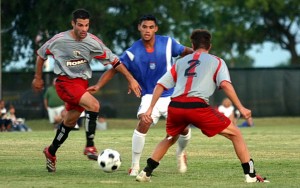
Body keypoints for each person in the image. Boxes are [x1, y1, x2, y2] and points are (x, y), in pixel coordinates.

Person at [136, 29, 269, 183]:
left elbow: (160, 85)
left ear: (192, 45)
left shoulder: (180, 62)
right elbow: (225, 84)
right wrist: (241, 107)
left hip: (176, 106)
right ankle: (250, 176)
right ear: (209, 46)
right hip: (196, 107)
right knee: (236, 134)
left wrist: (150, 108)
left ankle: (145, 172)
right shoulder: (217, 61)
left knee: (170, 138)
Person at [32, 9, 141, 172]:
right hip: (65, 82)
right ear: (73, 24)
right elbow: (41, 55)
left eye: (87, 25)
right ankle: (90, 146)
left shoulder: (92, 42)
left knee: (69, 123)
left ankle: (51, 151)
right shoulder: (59, 40)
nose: (84, 29)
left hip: (82, 84)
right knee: (94, 105)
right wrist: (38, 77)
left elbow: (115, 61)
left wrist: (131, 79)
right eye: (80, 25)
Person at [97, 14, 194, 176]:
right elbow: (116, 68)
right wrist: (99, 85)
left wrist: (199, 60)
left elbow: (188, 52)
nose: (147, 30)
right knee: (144, 121)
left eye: (151, 27)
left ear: (156, 28)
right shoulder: (132, 52)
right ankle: (135, 166)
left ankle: (180, 153)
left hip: (171, 95)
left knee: (183, 129)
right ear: (139, 28)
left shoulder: (168, 43)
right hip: (149, 95)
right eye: (144, 27)